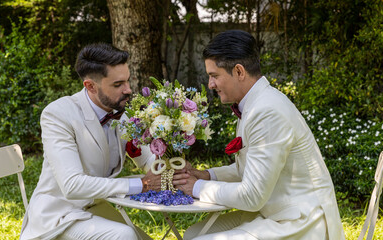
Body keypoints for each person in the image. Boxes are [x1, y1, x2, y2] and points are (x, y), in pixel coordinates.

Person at [174, 30, 346, 240]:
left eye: (214, 76)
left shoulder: (267, 111)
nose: (210, 85)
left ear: (239, 71)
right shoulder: (254, 103)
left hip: (301, 222)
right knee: (194, 233)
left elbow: (252, 196)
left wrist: (196, 187)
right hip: (276, 212)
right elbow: (247, 169)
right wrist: (207, 175)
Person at [20, 43, 159, 240]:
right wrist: (142, 184)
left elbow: (146, 161)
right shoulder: (58, 114)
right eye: (118, 85)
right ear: (90, 86)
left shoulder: (123, 115)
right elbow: (72, 185)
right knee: (124, 236)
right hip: (59, 215)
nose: (128, 90)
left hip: (95, 207)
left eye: (127, 81)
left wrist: (167, 161)